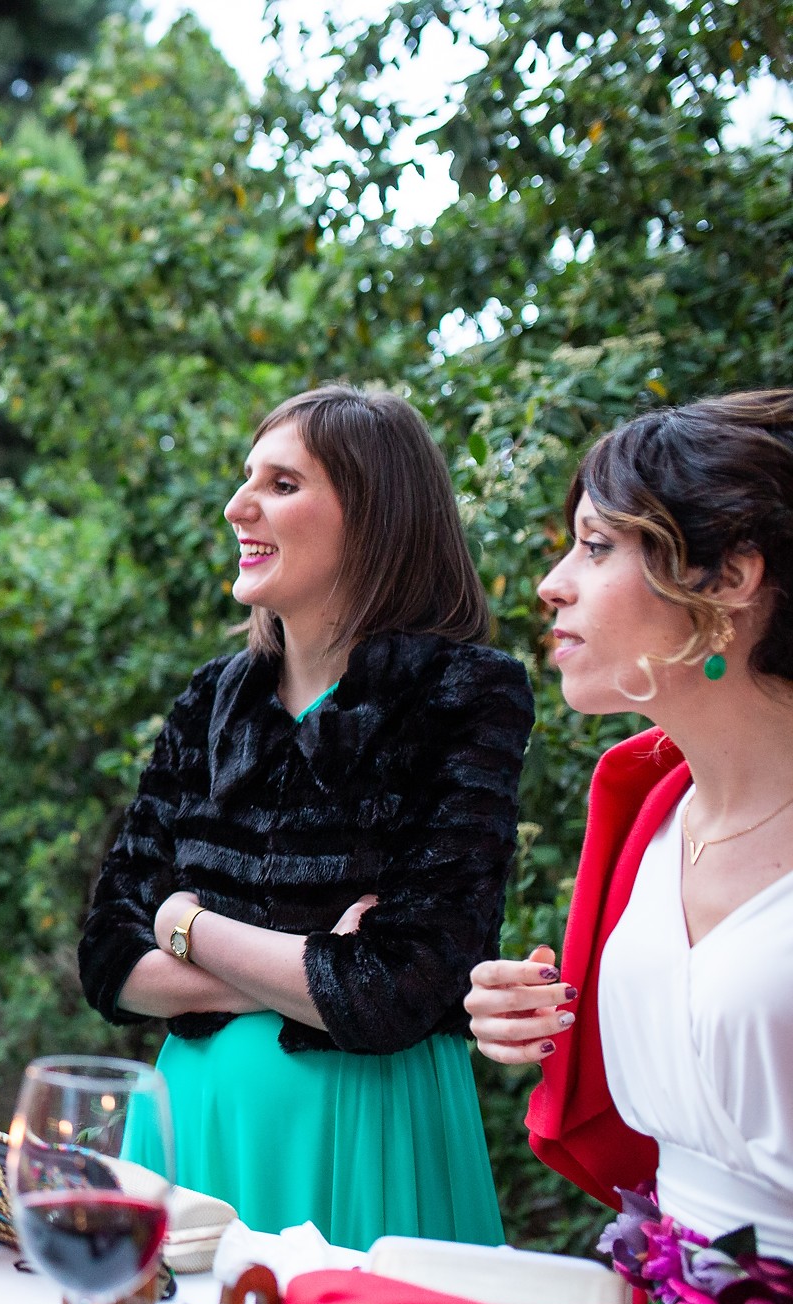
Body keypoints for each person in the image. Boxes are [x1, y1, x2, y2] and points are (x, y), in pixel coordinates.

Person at [78, 384, 534, 1250]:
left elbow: (400, 988)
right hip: (191, 1133)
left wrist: (186, 924)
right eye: (247, 478)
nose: (236, 505)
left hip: (367, 1134)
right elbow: (107, 957)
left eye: (282, 483)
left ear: (375, 516)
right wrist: (315, 966)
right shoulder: (210, 700)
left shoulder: (461, 695)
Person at [467, 392, 793, 1275]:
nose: (552, 583)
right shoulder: (650, 813)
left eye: (598, 545)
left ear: (728, 578)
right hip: (655, 1285)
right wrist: (546, 1012)